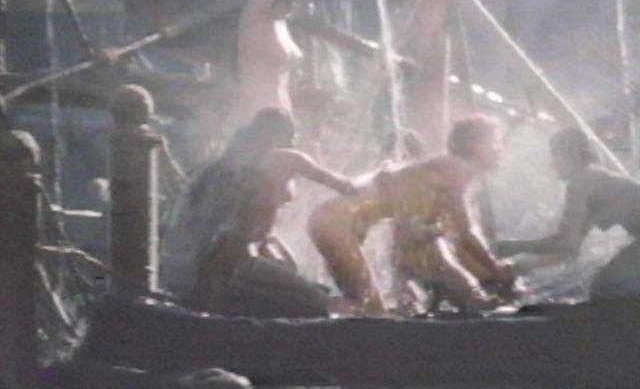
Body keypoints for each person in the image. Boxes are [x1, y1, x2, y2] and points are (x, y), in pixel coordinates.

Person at [308, 115, 516, 314]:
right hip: (335, 225)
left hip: (331, 222)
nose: (500, 149)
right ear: (473, 144)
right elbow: (465, 233)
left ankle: (316, 305)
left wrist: (474, 285)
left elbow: (418, 241)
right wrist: (495, 273)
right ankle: (310, 304)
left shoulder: (436, 175)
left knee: (369, 307)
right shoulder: (455, 167)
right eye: (494, 142)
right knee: (371, 312)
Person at [161, 107, 355, 317]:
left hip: (191, 268)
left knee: (300, 283)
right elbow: (344, 185)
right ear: (279, 137)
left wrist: (272, 247)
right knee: (318, 302)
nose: (294, 142)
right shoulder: (283, 159)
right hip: (228, 266)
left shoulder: (223, 165)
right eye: (292, 137)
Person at [498, 127, 640, 299]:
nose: (552, 164)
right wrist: (518, 262)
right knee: (605, 288)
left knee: (606, 289)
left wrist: (511, 250)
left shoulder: (582, 182)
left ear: (571, 156)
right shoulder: (593, 177)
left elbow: (565, 245)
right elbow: (567, 249)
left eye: (555, 155)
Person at [233, 0, 305, 125]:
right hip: (257, 109)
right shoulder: (254, 14)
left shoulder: (279, 24)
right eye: (287, 0)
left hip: (279, 106)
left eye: (294, 1)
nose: (292, 6)